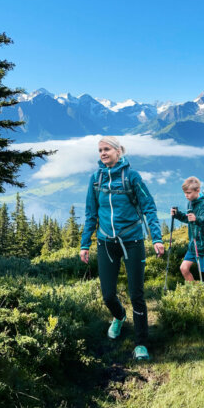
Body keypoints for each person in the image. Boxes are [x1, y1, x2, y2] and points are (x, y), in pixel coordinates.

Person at [80, 136, 165, 361]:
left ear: (118, 151)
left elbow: (149, 207)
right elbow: (91, 213)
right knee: (108, 295)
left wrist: (156, 238)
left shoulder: (132, 177)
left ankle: (141, 344)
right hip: (105, 243)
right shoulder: (95, 179)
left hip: (132, 242)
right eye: (100, 150)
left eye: (107, 149)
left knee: (136, 294)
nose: (103, 153)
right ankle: (119, 317)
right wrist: (84, 244)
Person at [171, 176, 204, 293]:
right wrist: (178, 214)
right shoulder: (191, 202)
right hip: (194, 244)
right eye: (185, 193)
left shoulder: (203, 204)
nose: (186, 195)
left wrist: (196, 218)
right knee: (184, 268)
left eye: (189, 193)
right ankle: (198, 293)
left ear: (197, 190)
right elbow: (189, 219)